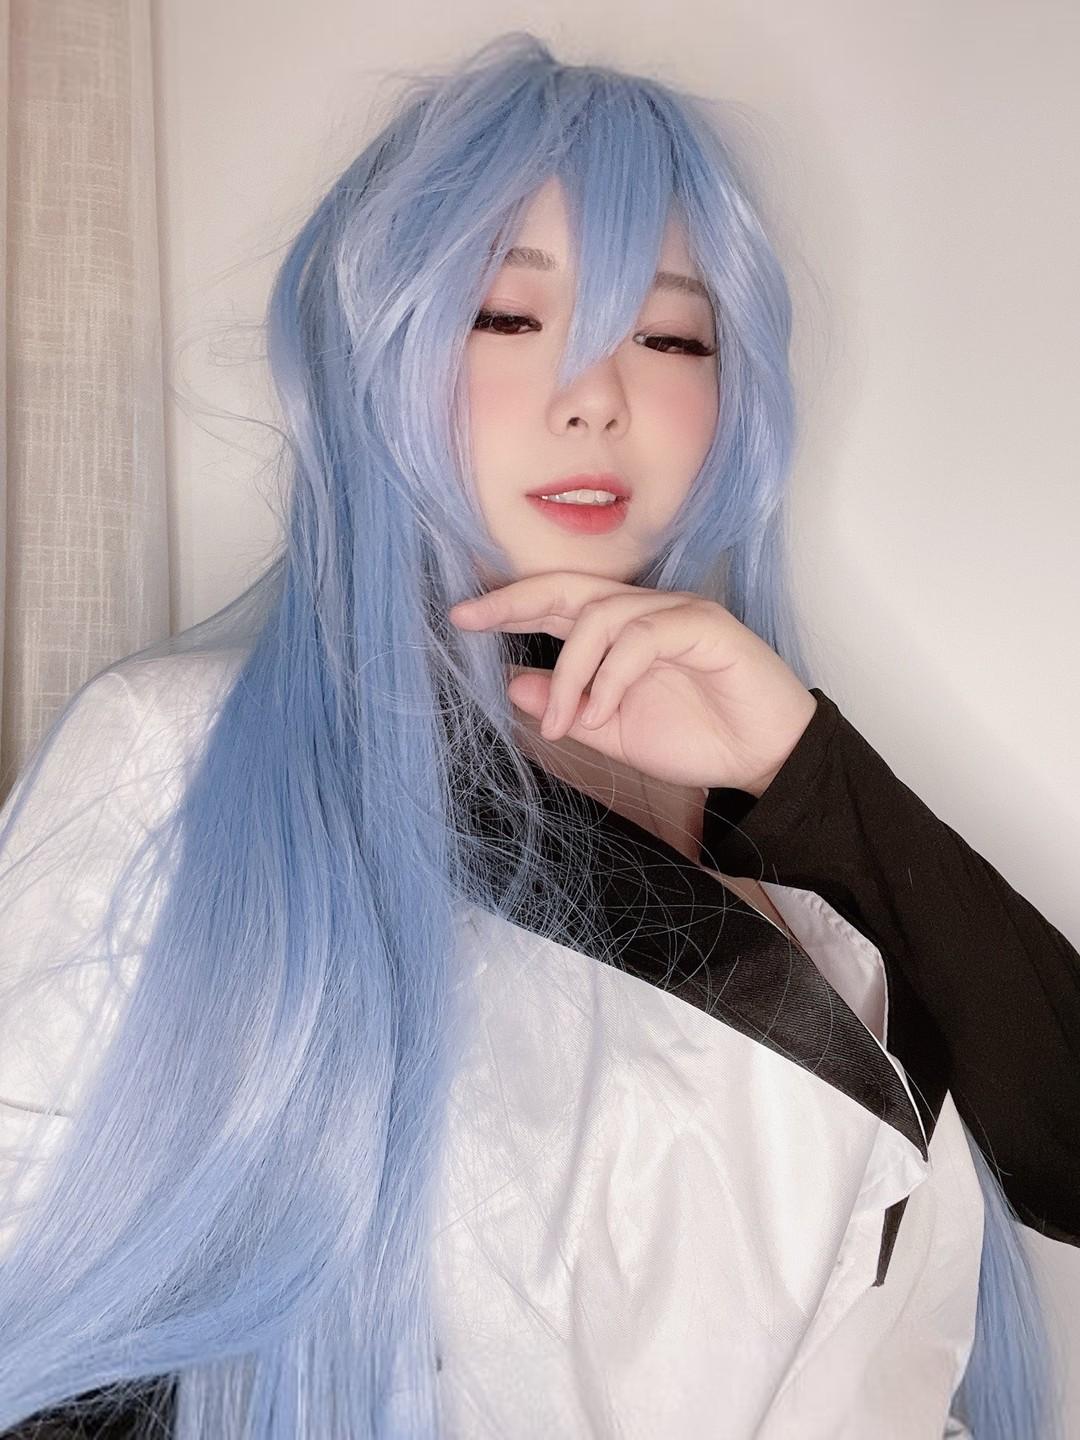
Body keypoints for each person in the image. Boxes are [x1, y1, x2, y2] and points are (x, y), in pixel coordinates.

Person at [0, 30, 1074, 1440]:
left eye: (671, 337)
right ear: (378, 352)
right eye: (507, 318)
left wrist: (811, 769)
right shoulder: (181, 761)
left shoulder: (786, 807)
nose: (596, 393)